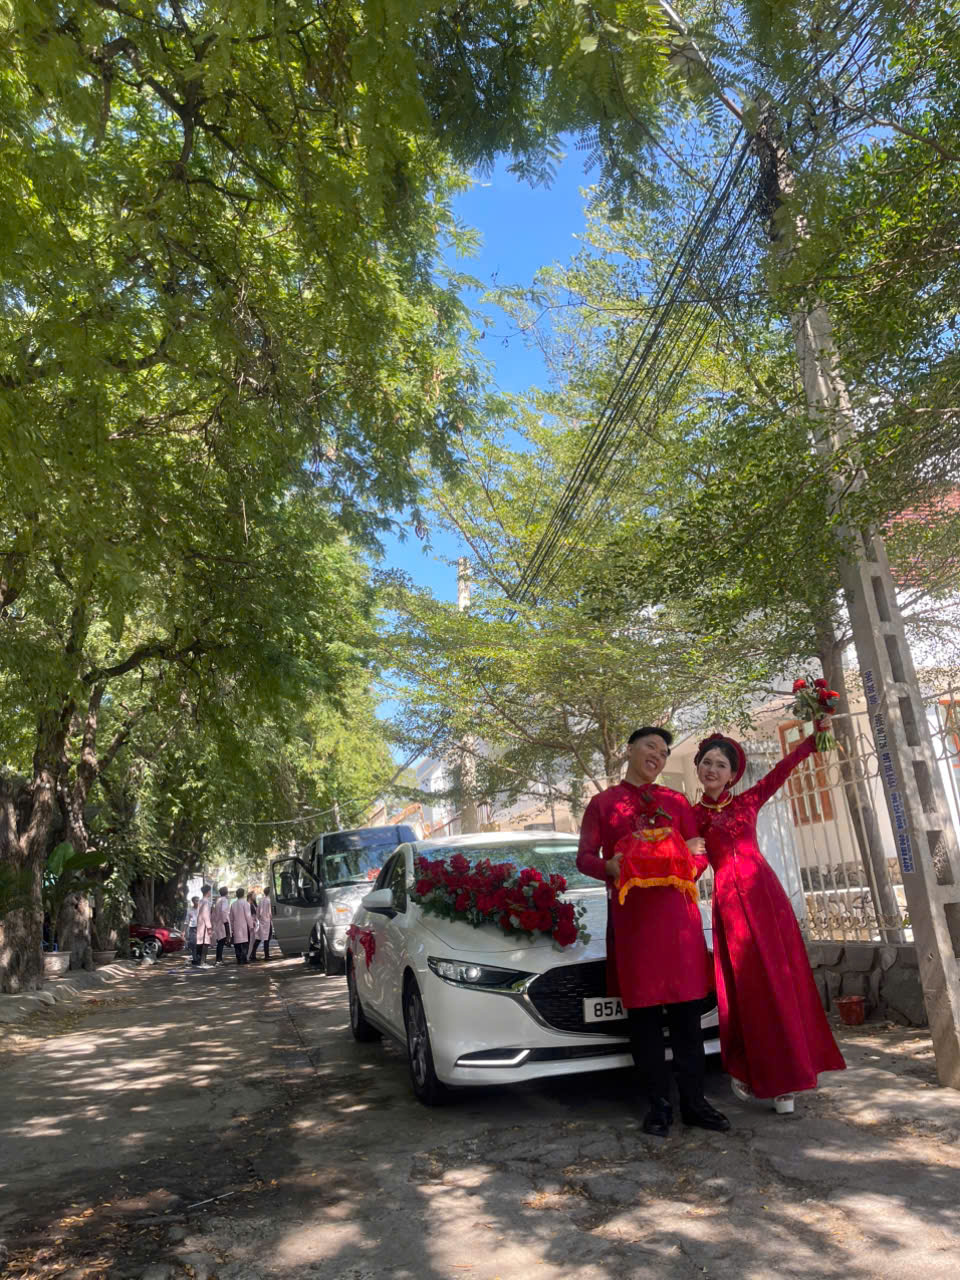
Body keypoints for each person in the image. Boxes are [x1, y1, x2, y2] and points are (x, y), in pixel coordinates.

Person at [578, 726, 730, 1138]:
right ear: (629, 750)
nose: (658, 757)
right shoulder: (603, 804)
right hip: (635, 926)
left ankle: (695, 1102)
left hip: (678, 924)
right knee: (643, 1021)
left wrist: (679, 862)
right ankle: (658, 1105)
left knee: (686, 1020)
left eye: (664, 753)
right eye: (651, 747)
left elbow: (699, 855)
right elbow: (585, 858)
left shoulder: (677, 802)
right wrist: (609, 868)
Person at [693, 724, 846, 1114]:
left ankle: (790, 1079)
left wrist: (811, 743)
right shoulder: (692, 818)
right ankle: (754, 1070)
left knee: (780, 982)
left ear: (732, 774)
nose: (712, 768)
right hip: (729, 907)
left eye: (721, 764)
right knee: (747, 990)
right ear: (698, 768)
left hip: (765, 900)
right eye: (707, 762)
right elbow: (690, 866)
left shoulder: (747, 801)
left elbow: (781, 771)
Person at [229, 887, 253, 964]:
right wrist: (251, 926)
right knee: (245, 943)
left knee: (237, 944)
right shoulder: (246, 903)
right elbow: (248, 916)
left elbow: (231, 918)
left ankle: (239, 959)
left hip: (236, 926)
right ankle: (244, 958)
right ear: (243, 894)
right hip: (244, 926)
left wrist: (232, 927)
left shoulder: (233, 904)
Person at [193, 884, 213, 966]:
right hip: (204, 924)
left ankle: (199, 960)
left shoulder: (201, 901)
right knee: (205, 943)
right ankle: (203, 961)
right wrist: (209, 927)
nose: (210, 893)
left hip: (200, 924)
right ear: (208, 892)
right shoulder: (206, 901)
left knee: (200, 943)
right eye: (210, 891)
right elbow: (206, 915)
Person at [250, 889, 273, 961]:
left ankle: (253, 954)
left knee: (259, 938)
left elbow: (258, 912)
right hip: (267, 922)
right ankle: (266, 955)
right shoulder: (269, 900)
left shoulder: (261, 900)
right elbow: (270, 913)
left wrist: (259, 919)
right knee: (267, 939)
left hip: (261, 921)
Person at [212, 885, 231, 964]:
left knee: (220, 942)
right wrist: (225, 922)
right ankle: (218, 960)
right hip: (223, 923)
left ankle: (218, 959)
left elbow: (214, 914)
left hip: (218, 923)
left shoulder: (218, 900)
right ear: (226, 893)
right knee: (222, 942)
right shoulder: (224, 900)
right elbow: (223, 911)